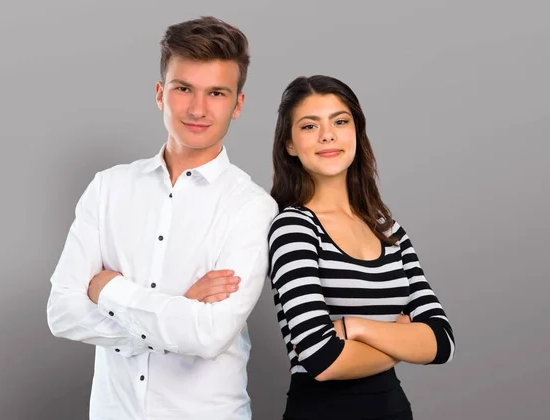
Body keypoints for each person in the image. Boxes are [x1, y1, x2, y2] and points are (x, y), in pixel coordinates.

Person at [46, 16, 278, 420]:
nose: (198, 108)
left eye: (217, 93)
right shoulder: (108, 188)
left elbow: (208, 336)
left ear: (238, 104)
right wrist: (177, 309)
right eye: (183, 88)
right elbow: (62, 313)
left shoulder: (252, 207)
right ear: (160, 93)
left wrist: (111, 290)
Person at [267, 75, 455, 420]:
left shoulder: (387, 229)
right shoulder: (293, 227)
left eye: (340, 121)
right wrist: (402, 340)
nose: (328, 135)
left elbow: (442, 343)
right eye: (310, 126)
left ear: (356, 132)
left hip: (394, 409)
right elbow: (321, 358)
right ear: (289, 144)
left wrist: (357, 327)